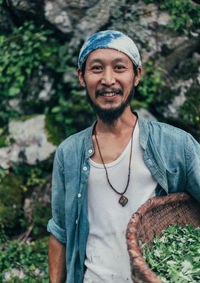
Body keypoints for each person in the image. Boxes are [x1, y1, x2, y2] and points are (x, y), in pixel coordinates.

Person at [47, 30, 200, 283]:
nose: (108, 79)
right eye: (96, 68)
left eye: (119, 67)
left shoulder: (176, 145)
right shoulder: (69, 153)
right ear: (81, 77)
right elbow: (61, 232)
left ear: (136, 75)